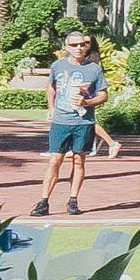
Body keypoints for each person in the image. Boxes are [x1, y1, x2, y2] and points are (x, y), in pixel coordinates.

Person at [33, 30, 113, 213]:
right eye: (74, 45)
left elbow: (103, 95)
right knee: (55, 160)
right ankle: (43, 201)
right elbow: (51, 88)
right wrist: (51, 108)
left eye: (82, 44)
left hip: (83, 122)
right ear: (66, 47)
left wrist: (87, 102)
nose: (79, 48)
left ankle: (73, 200)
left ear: (87, 46)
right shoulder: (58, 66)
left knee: (79, 160)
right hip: (61, 121)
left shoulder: (94, 69)